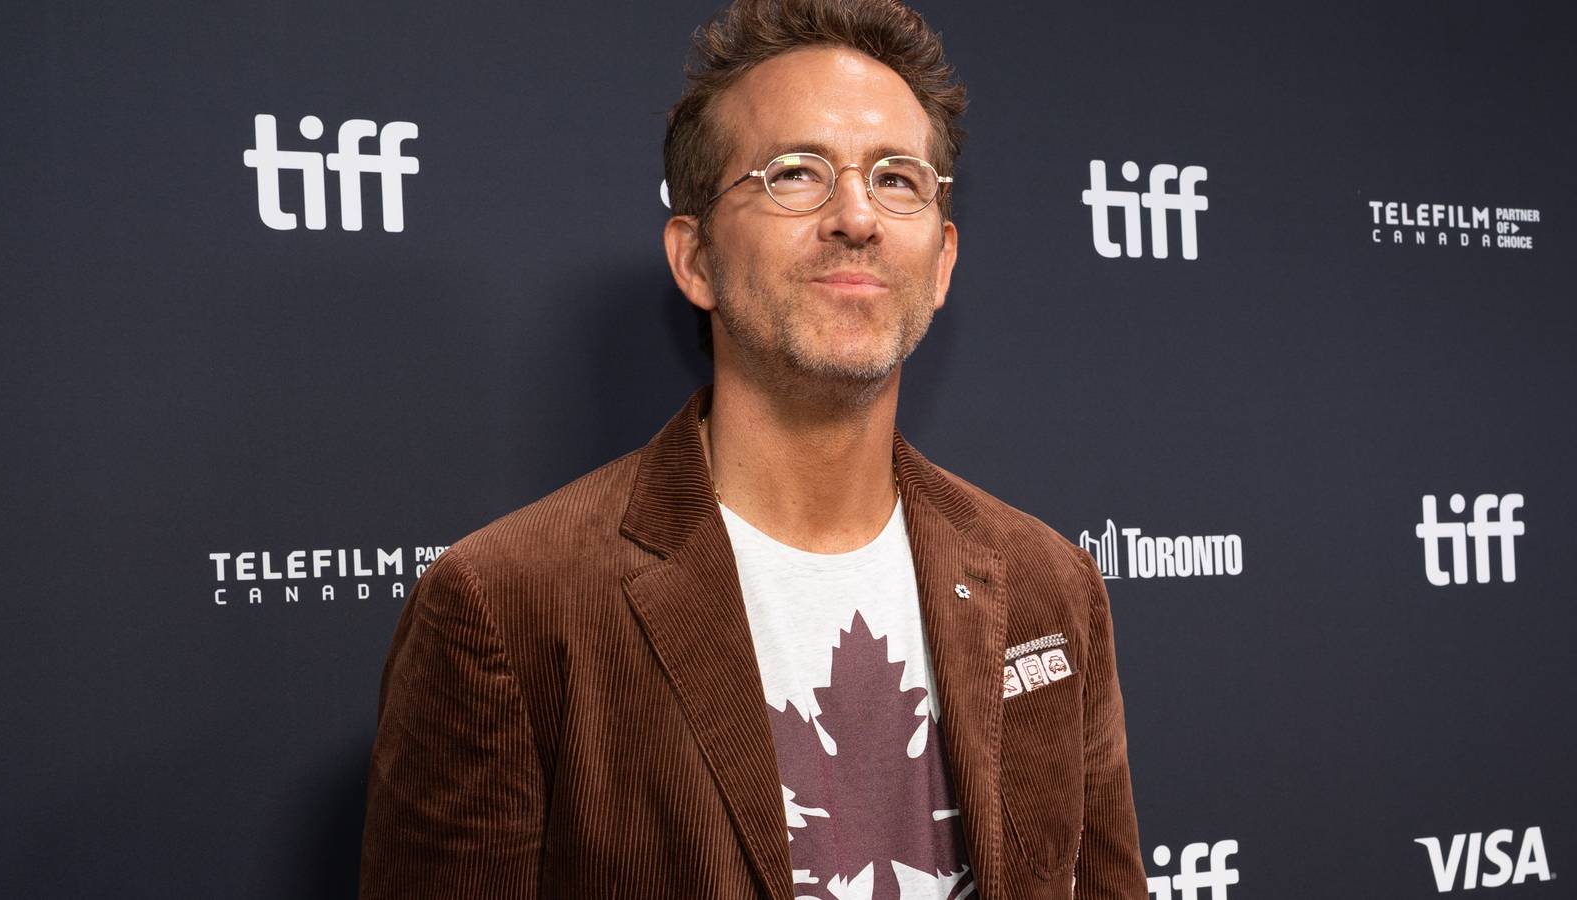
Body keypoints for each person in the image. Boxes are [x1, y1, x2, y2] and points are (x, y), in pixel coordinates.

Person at [359, 0, 1145, 897]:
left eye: (897, 178)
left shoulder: (1050, 584)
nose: (857, 216)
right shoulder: (506, 606)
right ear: (695, 259)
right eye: (796, 173)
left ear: (941, 261)